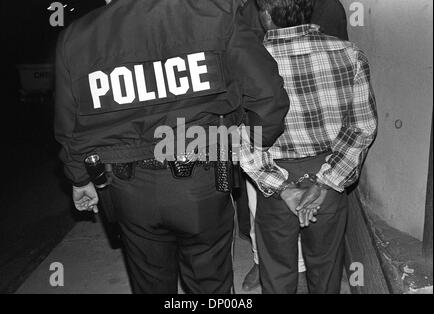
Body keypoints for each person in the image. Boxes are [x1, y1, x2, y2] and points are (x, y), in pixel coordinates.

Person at [55, 0, 289, 294]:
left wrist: (79, 178)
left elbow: (68, 126)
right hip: (202, 178)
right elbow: (268, 98)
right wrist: (250, 139)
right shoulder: (215, 13)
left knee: (150, 282)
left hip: (127, 188)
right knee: (211, 285)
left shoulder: (77, 37)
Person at [240, 0, 378, 294]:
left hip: (275, 172)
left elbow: (244, 137)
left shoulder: (249, 62)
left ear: (265, 14)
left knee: (276, 266)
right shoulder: (349, 54)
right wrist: (326, 182)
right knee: (327, 265)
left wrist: (281, 186)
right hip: (330, 168)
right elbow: (361, 127)